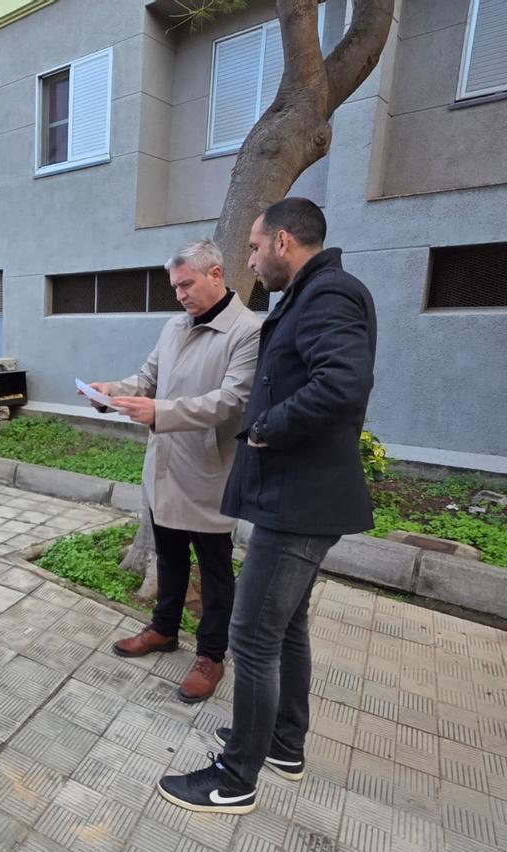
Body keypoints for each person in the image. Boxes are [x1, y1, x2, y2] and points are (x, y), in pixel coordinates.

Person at [157, 198, 377, 815]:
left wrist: (264, 428)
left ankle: (235, 778)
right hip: (297, 496)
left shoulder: (329, 295)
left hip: (299, 501)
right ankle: (282, 743)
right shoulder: (313, 295)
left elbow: (341, 383)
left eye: (254, 247)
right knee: (288, 627)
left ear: (283, 241)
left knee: (252, 636)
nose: (250, 259)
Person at [91, 239, 260, 704]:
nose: (180, 294)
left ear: (216, 275)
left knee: (214, 568)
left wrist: (159, 412)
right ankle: (164, 629)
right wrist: (111, 391)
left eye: (187, 284)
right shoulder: (174, 326)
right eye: (175, 286)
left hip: (208, 469)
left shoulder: (247, 331)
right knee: (168, 556)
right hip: (164, 465)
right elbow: (147, 379)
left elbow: (232, 402)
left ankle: (211, 655)